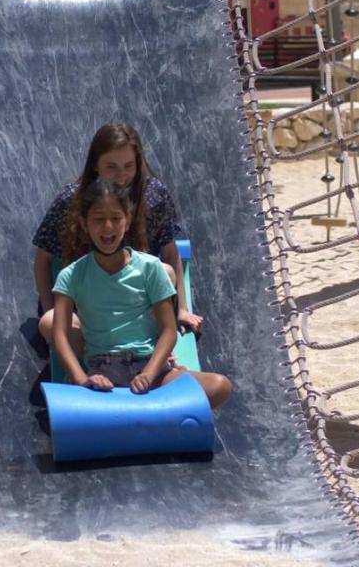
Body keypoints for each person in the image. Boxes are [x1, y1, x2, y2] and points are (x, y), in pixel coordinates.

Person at [51, 180, 231, 408]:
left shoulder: (150, 267)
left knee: (219, 385)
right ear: (84, 224)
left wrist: (148, 373)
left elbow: (168, 330)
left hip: (151, 369)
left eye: (116, 219)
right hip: (101, 371)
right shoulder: (72, 275)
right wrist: (83, 379)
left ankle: (149, 414)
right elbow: (60, 336)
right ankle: (157, 415)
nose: (108, 227)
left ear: (127, 222)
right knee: (63, 405)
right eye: (98, 219)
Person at [33, 123, 203, 356]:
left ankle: (146, 351)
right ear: (96, 165)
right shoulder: (72, 201)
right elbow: (43, 259)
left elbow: (170, 253)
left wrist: (181, 309)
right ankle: (96, 361)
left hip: (134, 308)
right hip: (89, 307)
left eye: (129, 166)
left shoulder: (153, 195)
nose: (121, 176)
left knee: (166, 272)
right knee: (49, 322)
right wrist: (51, 308)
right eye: (111, 167)